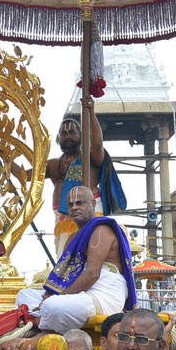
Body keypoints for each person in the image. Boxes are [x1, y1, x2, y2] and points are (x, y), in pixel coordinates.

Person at [15, 186, 136, 332]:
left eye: (80, 203)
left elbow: (92, 274)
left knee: (52, 306)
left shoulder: (102, 230)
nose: (74, 207)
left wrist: (58, 298)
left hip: (102, 295)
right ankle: (47, 322)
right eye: (71, 204)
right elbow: (62, 275)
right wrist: (49, 295)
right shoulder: (72, 238)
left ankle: (43, 327)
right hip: (78, 296)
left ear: (92, 204)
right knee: (25, 295)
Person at [45, 106, 104, 255]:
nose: (68, 136)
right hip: (62, 216)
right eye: (64, 133)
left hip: (91, 211)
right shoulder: (52, 165)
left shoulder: (90, 158)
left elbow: (97, 144)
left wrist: (90, 111)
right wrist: (3, 154)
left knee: (92, 252)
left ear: (81, 135)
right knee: (65, 258)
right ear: (59, 138)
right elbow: (25, 176)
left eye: (72, 132)